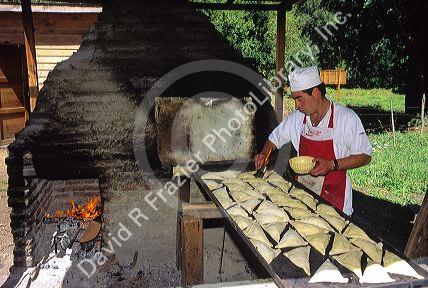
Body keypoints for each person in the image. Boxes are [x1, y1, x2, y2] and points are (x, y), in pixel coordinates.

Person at [255, 67, 372, 215]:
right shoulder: (297, 118)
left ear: (316, 93)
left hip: (335, 202)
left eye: (299, 99)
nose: (296, 105)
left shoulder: (346, 118)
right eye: (295, 100)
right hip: (303, 198)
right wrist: (265, 153)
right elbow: (274, 138)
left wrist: (331, 164)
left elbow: (365, 156)